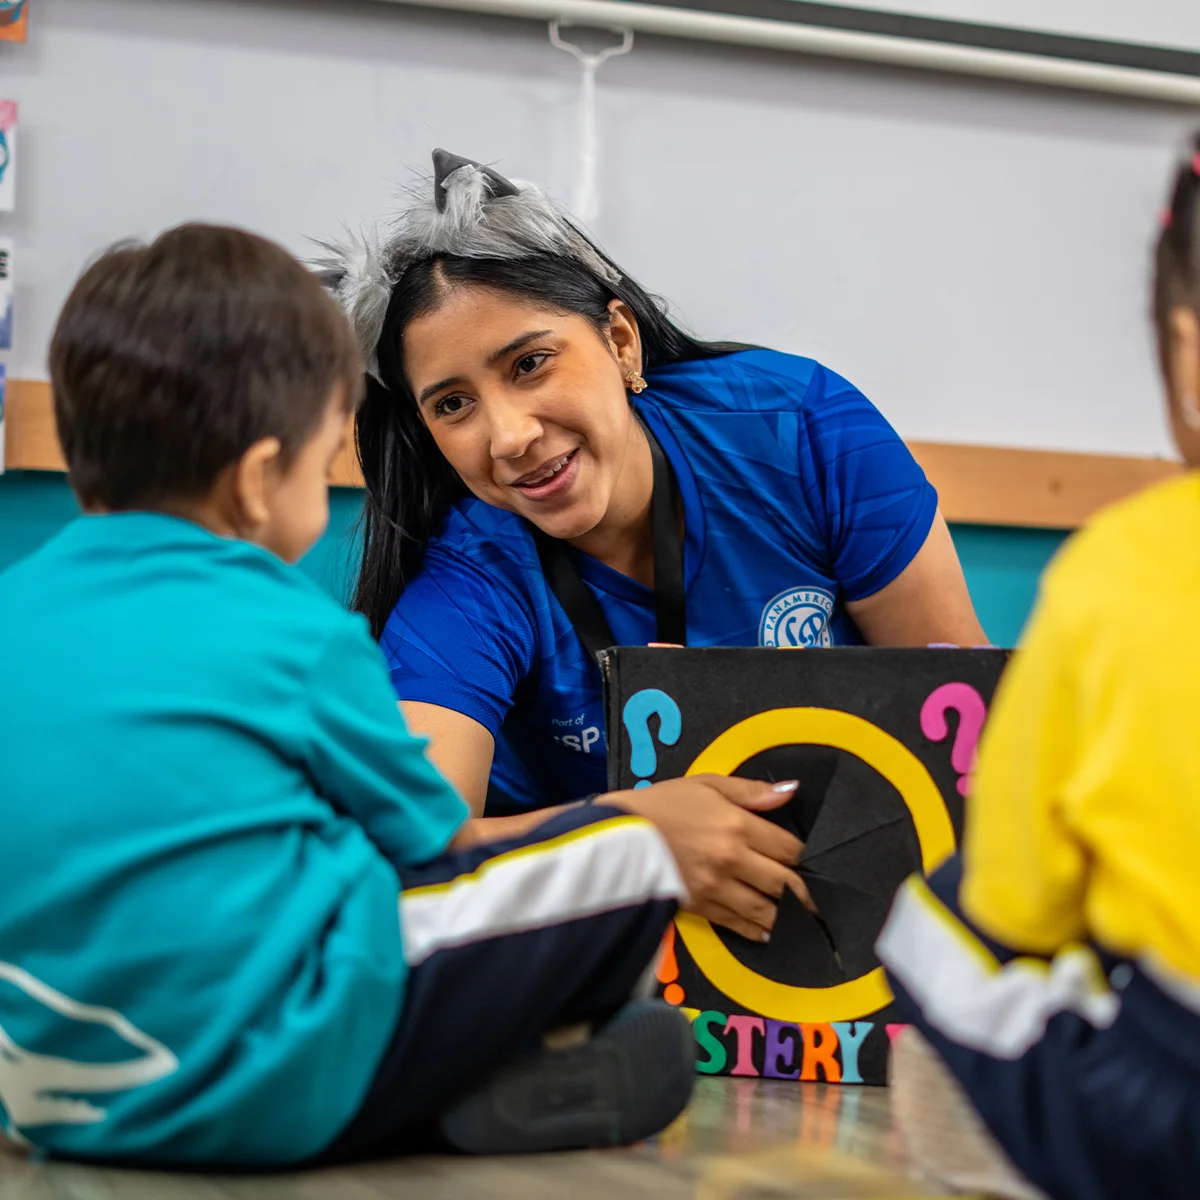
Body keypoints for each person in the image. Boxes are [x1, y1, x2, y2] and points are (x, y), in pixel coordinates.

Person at [0, 223, 806, 1167]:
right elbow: (438, 852)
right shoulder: (295, 637)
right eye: (326, 456)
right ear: (264, 479)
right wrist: (642, 825)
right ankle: (450, 1089)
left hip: (44, 1093)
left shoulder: (14, 609)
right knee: (630, 859)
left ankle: (451, 1095)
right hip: (275, 1080)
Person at [319, 150, 987, 849]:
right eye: (454, 404)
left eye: (530, 364)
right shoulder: (471, 574)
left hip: (858, 864)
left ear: (621, 341)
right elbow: (411, 842)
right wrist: (632, 835)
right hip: (606, 923)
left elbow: (962, 725)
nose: (509, 436)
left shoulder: (802, 430)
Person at [875, 137, 1200, 1200]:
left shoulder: (1120, 568)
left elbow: (1017, 902)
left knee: (941, 917)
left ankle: (1001, 1157)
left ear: (1188, 352)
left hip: (1170, 1107)